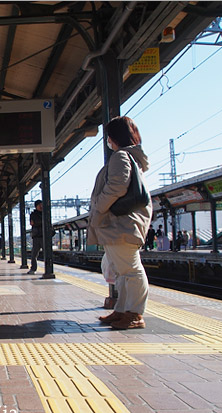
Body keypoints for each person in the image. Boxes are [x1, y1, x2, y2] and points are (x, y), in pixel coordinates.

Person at [87, 116, 152, 330]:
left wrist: (99, 206)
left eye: (109, 137)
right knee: (123, 271)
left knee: (131, 270)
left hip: (121, 224)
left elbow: (117, 186)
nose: (108, 141)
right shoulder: (128, 157)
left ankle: (134, 314)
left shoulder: (121, 156)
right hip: (121, 224)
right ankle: (123, 310)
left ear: (114, 137)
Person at [27, 200, 44, 274]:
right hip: (36, 236)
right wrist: (42, 222)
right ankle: (33, 268)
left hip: (44, 236)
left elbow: (35, 223)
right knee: (34, 254)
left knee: (47, 254)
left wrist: (37, 222)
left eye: (42, 205)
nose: (41, 206)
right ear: (36, 206)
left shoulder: (46, 213)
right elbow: (32, 223)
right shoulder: (33, 214)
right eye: (39, 205)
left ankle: (48, 269)